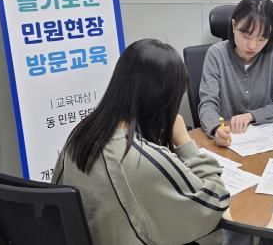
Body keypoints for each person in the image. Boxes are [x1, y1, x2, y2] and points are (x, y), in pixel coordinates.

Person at [52, 39, 229, 245]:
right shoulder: (139, 157)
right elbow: (215, 201)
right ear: (162, 100)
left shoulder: (81, 135)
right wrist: (184, 141)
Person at [198, 0, 273, 146]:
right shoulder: (216, 54)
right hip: (228, 140)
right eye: (246, 36)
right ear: (234, 26)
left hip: (265, 143)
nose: (252, 46)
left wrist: (251, 116)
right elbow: (207, 103)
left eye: (262, 39)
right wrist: (216, 129)